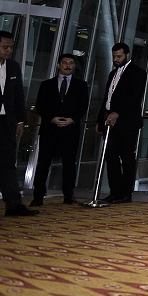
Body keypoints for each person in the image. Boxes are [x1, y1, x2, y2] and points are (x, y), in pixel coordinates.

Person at [0, 31, 37, 216]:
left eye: (11, 47)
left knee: (7, 165)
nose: (9, 50)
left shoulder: (13, 67)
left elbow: (18, 97)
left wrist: (21, 120)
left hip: (6, 124)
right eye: (5, 47)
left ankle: (14, 205)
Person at [31, 54, 90, 206]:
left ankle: (68, 196)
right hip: (49, 129)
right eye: (65, 63)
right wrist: (52, 118)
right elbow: (40, 105)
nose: (68, 65)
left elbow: (83, 106)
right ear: (58, 65)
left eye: (71, 63)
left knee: (69, 164)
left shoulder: (81, 85)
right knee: (43, 163)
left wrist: (73, 119)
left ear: (74, 66)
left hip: (71, 129)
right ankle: (38, 196)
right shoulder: (46, 84)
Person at [95, 42, 147, 205]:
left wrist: (118, 112)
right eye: (114, 56)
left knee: (127, 157)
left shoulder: (138, 73)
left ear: (127, 55)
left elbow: (134, 97)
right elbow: (107, 99)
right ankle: (115, 191)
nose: (116, 59)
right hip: (110, 122)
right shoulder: (112, 74)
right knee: (110, 156)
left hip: (128, 122)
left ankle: (126, 193)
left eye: (119, 56)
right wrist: (100, 120)